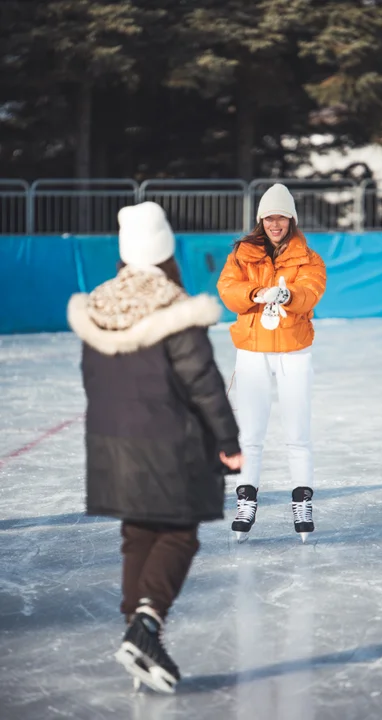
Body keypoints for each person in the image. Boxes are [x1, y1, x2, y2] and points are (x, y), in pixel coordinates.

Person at [67, 201, 242, 694]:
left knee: (137, 529)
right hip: (167, 442)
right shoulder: (173, 307)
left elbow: (91, 379)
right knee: (180, 530)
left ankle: (135, 631)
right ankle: (146, 622)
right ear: (166, 250)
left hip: (109, 445)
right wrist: (227, 442)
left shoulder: (98, 305)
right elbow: (203, 385)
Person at [217, 183, 327, 542]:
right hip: (252, 350)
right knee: (250, 433)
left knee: (298, 432)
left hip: (294, 350)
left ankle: (302, 500)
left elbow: (312, 291)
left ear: (291, 219)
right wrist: (256, 293)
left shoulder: (308, 258)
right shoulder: (241, 254)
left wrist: (289, 294)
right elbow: (228, 290)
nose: (275, 223)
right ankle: (246, 500)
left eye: (281, 216)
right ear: (260, 219)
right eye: (269, 217)